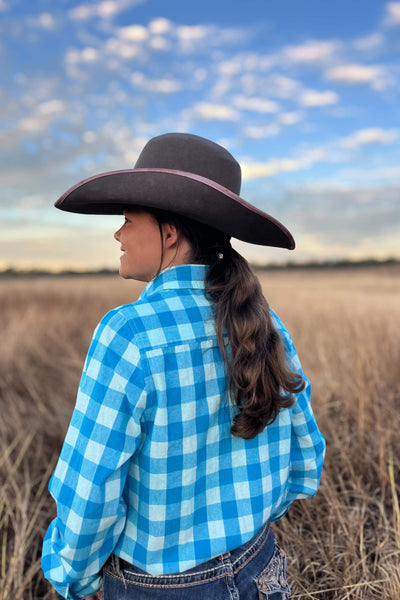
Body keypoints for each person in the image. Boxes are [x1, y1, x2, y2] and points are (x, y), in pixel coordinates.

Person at [42, 133, 325, 600]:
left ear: (169, 233)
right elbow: (304, 453)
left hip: (159, 587)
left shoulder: (128, 333)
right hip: (261, 563)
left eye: (129, 220)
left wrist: (74, 576)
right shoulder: (263, 320)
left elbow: (90, 486)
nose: (118, 233)